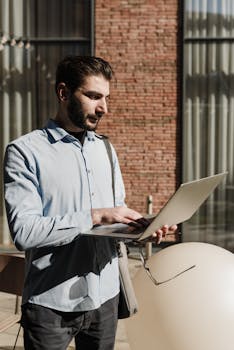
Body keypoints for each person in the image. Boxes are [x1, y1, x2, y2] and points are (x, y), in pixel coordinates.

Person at [4, 56, 177, 350]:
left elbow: (115, 213)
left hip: (104, 298)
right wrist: (98, 215)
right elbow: (24, 232)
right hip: (51, 304)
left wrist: (140, 227)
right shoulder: (24, 152)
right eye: (94, 96)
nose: (104, 108)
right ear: (63, 93)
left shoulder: (106, 149)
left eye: (106, 98)